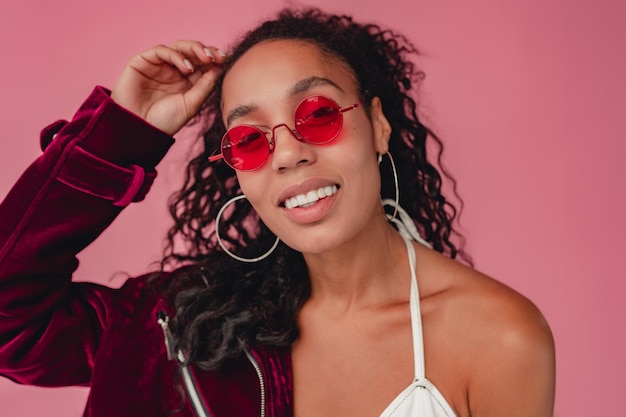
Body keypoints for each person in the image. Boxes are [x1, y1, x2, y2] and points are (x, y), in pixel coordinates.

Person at [0, 7, 555, 417]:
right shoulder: (179, 327)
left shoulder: (499, 338)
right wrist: (121, 136)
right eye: (249, 139)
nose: (288, 152)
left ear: (378, 126)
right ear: (238, 172)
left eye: (316, 115)